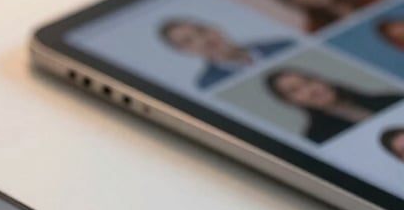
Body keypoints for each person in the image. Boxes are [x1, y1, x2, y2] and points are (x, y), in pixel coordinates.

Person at [264, 68, 403, 143]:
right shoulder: (319, 137)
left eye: (308, 81)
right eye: (295, 90)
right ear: (290, 101)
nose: (311, 91)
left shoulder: (391, 99)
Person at [158, 18, 294, 89]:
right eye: (188, 41)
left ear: (214, 28)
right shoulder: (208, 85)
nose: (203, 40)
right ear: (184, 52)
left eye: (201, 30)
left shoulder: (282, 45)